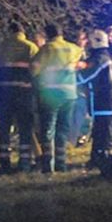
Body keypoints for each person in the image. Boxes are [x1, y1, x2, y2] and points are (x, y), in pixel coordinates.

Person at [32, 24, 83, 173]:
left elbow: (34, 68)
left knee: (48, 130)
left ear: (47, 35)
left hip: (51, 95)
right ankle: (62, 164)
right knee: (63, 129)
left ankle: (49, 165)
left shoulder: (47, 49)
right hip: (69, 95)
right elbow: (80, 58)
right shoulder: (73, 48)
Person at [0, 21, 38, 172]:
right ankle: (24, 162)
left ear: (9, 31)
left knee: (4, 128)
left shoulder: (1, 47)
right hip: (24, 92)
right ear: (22, 32)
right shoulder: (30, 47)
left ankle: (4, 161)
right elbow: (36, 69)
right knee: (25, 127)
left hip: (4, 92)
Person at [77, 29, 112, 167]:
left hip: (107, 100)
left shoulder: (101, 59)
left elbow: (85, 76)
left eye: (89, 42)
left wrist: (69, 77)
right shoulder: (100, 57)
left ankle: (107, 160)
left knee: (106, 131)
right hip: (101, 100)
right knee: (99, 130)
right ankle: (98, 158)